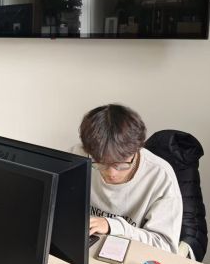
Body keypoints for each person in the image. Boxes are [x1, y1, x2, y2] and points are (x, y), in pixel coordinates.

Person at [71, 104, 183, 253]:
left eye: (120, 164)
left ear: (137, 149)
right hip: (85, 248)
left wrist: (114, 226)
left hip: (133, 256)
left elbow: (166, 246)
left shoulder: (160, 176)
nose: (111, 173)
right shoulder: (78, 156)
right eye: (100, 163)